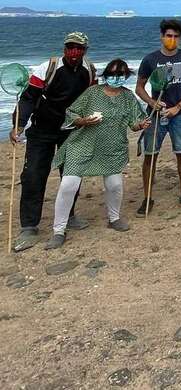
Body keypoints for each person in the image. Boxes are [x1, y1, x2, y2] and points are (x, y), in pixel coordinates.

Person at [44, 59, 150, 249]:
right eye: (112, 74)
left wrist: (141, 125)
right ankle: (59, 230)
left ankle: (114, 218)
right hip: (83, 144)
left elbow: (134, 124)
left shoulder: (128, 97)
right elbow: (72, 112)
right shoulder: (92, 92)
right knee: (69, 184)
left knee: (115, 184)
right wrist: (83, 121)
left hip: (112, 146)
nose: (115, 78)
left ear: (126, 77)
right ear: (105, 74)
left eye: (120, 75)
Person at [11, 31, 96, 252]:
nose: (74, 52)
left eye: (79, 48)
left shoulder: (89, 71)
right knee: (33, 176)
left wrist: (91, 120)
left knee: (71, 176)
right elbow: (29, 98)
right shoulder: (47, 68)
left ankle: (69, 215)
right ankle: (29, 226)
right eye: (70, 47)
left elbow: (90, 99)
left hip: (72, 130)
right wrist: (18, 124)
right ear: (64, 48)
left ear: (85, 50)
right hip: (42, 131)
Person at [136, 19, 181, 215]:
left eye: (175, 36)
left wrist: (179, 106)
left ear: (179, 38)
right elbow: (140, 87)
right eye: (168, 36)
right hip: (156, 115)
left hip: (179, 115)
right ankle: (147, 198)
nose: (172, 39)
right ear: (162, 37)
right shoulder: (150, 59)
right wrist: (151, 102)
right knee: (150, 156)